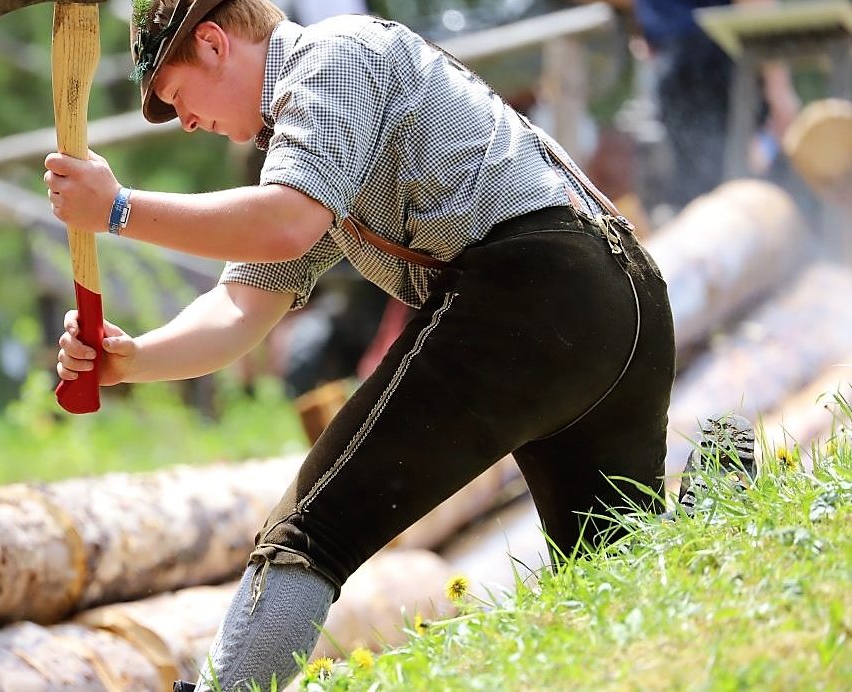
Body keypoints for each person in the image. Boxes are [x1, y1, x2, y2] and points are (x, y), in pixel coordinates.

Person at [44, 1, 676, 688]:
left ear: (214, 43)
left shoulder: (331, 58)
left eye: (178, 95)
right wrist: (131, 360)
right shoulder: (308, 141)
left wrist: (117, 210)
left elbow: (285, 222)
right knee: (619, 567)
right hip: (625, 303)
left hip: (539, 285)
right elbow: (240, 307)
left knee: (308, 532)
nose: (190, 121)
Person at [631, 0, 800, 209]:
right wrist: (779, 88)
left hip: (676, 63)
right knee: (744, 201)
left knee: (698, 202)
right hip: (714, 62)